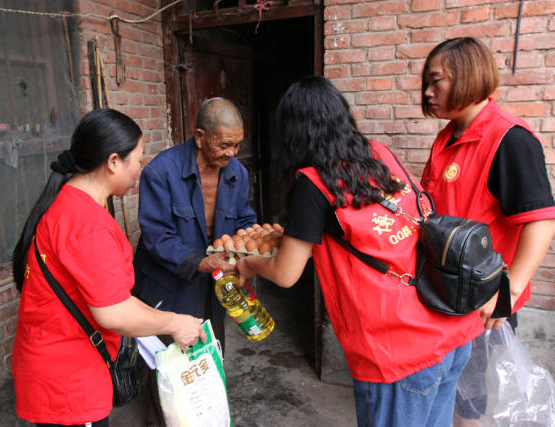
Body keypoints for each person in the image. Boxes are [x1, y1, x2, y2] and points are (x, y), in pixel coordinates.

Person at [235, 75, 483, 427]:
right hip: (451, 326)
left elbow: (286, 273)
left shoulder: (313, 182)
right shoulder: (380, 154)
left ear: (292, 132)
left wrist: (249, 264)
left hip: (399, 351)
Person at [11, 108, 206, 427]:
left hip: (51, 367)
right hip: (69, 382)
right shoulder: (87, 224)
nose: (140, 169)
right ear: (114, 161)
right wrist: (174, 323)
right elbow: (112, 311)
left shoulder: (69, 204)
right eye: (139, 159)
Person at [420, 37, 555, 425]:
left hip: (482, 300)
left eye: (437, 81)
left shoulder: (509, 138)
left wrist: (507, 292)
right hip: (446, 291)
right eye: (426, 84)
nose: (428, 93)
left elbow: (540, 220)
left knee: (470, 398)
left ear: (468, 75)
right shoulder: (447, 137)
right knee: (448, 384)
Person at [134, 97, 257, 426]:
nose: (232, 153)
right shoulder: (161, 172)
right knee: (167, 368)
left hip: (213, 289)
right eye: (225, 144)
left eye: (237, 145)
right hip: (168, 288)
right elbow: (156, 237)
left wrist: (246, 253)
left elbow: (244, 219)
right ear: (200, 136)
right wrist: (202, 263)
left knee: (206, 359)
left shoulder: (238, 173)